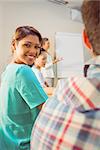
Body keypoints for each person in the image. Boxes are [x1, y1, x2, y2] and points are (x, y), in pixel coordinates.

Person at [31, 1, 100, 150]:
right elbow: (44, 70)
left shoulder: (53, 104)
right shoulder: (40, 60)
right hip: (47, 75)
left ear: (86, 40)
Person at [0, 26, 48, 150]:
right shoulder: (23, 71)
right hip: (23, 143)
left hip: (7, 141)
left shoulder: (9, 69)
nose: (33, 51)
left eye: (37, 47)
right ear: (14, 45)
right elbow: (47, 108)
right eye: (27, 45)